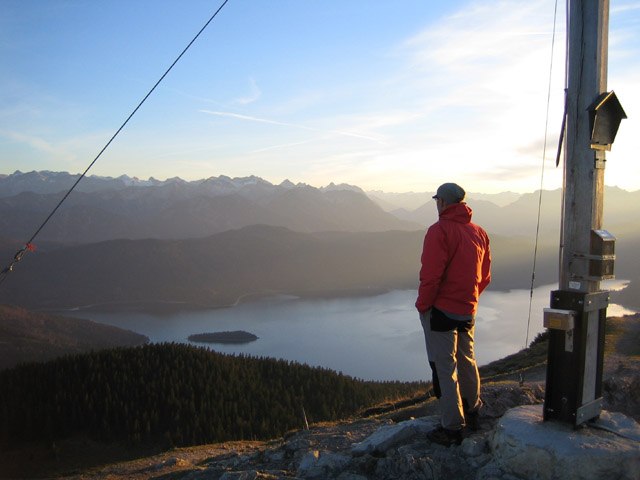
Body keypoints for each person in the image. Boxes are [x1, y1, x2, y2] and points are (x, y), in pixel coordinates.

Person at [415, 182, 491, 447]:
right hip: (467, 309)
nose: (437, 205)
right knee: (467, 359)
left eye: (437, 201)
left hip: (441, 311)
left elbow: (431, 275)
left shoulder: (439, 232)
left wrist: (423, 305)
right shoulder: (479, 232)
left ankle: (452, 428)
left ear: (443, 203)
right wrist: (469, 300)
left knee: (445, 368)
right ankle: (473, 411)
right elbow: (484, 276)